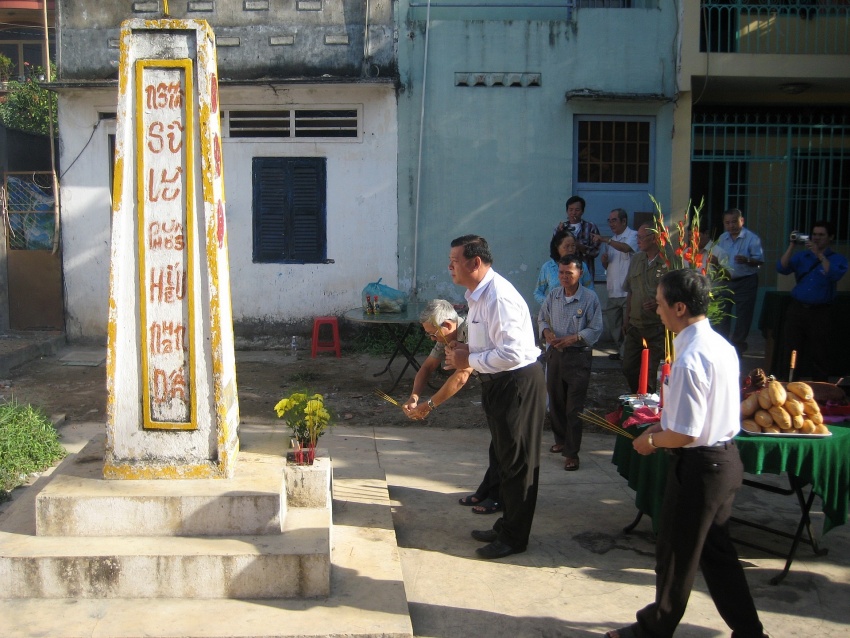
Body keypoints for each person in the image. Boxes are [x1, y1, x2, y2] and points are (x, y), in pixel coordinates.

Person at [604, 269, 768, 638]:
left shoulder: (691, 357)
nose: (657, 311)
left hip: (700, 467)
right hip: (724, 461)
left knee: (675, 555)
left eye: (661, 304)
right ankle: (750, 632)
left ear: (679, 307)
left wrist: (652, 441)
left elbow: (685, 432)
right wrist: (658, 427)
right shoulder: (720, 346)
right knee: (717, 554)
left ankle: (653, 629)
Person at [444, 234, 546, 560]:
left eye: (455, 261)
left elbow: (513, 354)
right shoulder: (477, 295)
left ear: (475, 262)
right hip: (497, 382)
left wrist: (468, 360)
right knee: (504, 459)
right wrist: (465, 350)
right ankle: (507, 526)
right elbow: (490, 344)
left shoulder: (498, 297)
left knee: (518, 463)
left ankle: (515, 537)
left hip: (515, 382)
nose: (450, 267)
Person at [403, 299, 501, 515]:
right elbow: (427, 367)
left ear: (447, 325)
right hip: (491, 384)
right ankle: (488, 490)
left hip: (507, 382)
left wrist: (428, 406)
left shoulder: (472, 331)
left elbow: (461, 376)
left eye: (433, 334)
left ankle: (499, 497)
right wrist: (414, 397)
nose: (432, 339)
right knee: (498, 444)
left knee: (507, 446)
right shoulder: (447, 337)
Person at [538, 256, 602, 471]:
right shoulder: (553, 295)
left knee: (574, 408)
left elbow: (596, 328)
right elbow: (542, 318)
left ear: (580, 274)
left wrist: (574, 338)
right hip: (555, 355)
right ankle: (561, 440)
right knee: (556, 402)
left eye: (569, 273)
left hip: (578, 357)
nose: (564, 277)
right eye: (561, 273)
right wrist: (546, 332)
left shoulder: (590, 298)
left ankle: (572, 453)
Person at [776, 220, 848, 381]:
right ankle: (789, 383)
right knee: (791, 349)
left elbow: (834, 274)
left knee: (819, 351)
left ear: (831, 237)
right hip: (797, 309)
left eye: (821, 235)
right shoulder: (802, 256)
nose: (816, 238)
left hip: (820, 311)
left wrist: (819, 255)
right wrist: (792, 245)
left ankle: (820, 388)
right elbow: (782, 268)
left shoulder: (837, 259)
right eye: (814, 234)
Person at [622, 224, 667, 395]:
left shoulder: (667, 262)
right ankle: (637, 397)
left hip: (655, 326)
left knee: (650, 372)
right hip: (634, 325)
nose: (637, 241)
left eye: (641, 237)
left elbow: (673, 295)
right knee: (628, 367)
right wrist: (626, 319)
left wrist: (659, 305)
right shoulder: (636, 259)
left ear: (654, 238)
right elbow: (630, 290)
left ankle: (648, 407)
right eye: (637, 237)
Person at [715, 208, 764, 355]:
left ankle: (737, 346)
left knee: (743, 316)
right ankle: (721, 346)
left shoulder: (752, 238)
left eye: (734, 222)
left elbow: (760, 262)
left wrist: (747, 260)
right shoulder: (722, 238)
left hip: (746, 281)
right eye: (727, 223)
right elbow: (716, 257)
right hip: (726, 281)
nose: (731, 226)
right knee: (722, 315)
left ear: (741, 221)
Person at [592, 208, 638, 360]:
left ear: (624, 221)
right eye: (609, 220)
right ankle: (622, 351)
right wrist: (604, 262)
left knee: (627, 325)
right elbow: (610, 267)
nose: (611, 224)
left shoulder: (633, 236)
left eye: (614, 220)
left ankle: (627, 355)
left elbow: (626, 249)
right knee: (614, 325)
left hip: (627, 292)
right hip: (613, 291)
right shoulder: (611, 241)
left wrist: (606, 240)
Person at [534, 230, 593, 307]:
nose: (571, 249)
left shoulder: (581, 266)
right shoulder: (548, 267)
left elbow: (590, 290)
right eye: (567, 246)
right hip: (554, 313)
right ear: (557, 247)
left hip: (577, 311)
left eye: (573, 246)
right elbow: (538, 292)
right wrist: (550, 303)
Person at [555, 195, 602, 280]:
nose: (573, 213)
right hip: (565, 275)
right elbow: (554, 251)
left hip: (585, 274)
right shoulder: (560, 228)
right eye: (571, 210)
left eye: (577, 210)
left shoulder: (591, 228)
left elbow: (595, 251)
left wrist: (578, 245)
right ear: (567, 211)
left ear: (582, 211)